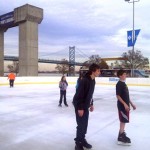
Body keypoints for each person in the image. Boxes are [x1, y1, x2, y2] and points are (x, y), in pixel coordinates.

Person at [73, 63, 100, 150]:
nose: (100, 72)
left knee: (85, 124)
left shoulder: (93, 80)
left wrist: (91, 103)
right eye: (98, 70)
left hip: (85, 104)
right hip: (79, 104)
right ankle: (78, 144)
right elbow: (79, 95)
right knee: (81, 124)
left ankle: (82, 140)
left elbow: (90, 94)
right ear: (93, 71)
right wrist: (80, 108)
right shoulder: (84, 80)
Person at [116, 70, 136, 145]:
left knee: (124, 120)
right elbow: (118, 96)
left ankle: (121, 133)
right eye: (124, 74)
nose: (125, 75)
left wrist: (131, 104)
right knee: (123, 120)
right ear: (120, 76)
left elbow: (127, 96)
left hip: (126, 105)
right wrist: (124, 104)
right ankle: (121, 137)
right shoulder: (119, 84)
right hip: (122, 106)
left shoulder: (124, 84)